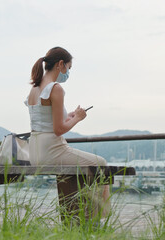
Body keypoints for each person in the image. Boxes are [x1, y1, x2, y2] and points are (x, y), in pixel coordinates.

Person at [25, 46, 110, 217]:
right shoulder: (55, 88)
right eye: (69, 68)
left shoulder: (35, 89)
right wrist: (78, 118)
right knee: (100, 164)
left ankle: (83, 214)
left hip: (34, 152)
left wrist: (69, 115)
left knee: (87, 167)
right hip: (52, 150)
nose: (68, 73)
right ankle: (95, 218)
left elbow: (46, 122)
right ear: (60, 64)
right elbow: (58, 130)